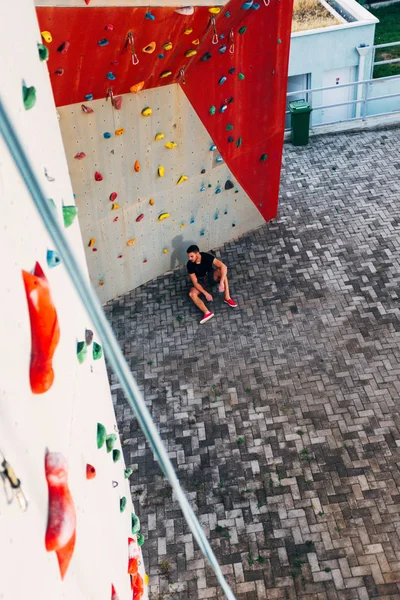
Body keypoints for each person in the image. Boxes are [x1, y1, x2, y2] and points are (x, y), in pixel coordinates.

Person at [186, 245, 237, 324]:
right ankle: (207, 313)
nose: (190, 259)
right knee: (192, 294)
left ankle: (227, 297)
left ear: (197, 254)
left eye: (191, 256)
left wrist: (221, 282)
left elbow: (223, 266)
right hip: (201, 282)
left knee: (222, 272)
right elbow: (195, 282)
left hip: (211, 276)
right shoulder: (190, 264)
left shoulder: (206, 257)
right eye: (189, 257)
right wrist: (205, 293)